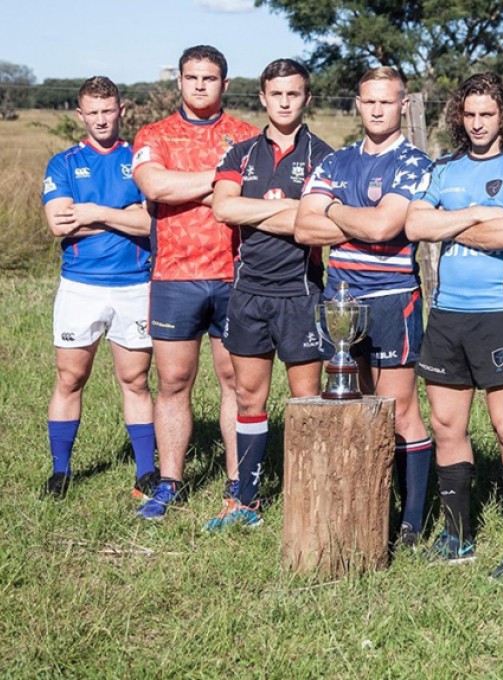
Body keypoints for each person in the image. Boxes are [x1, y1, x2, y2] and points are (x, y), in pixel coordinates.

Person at [405, 72, 503, 580]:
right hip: (446, 314)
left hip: (500, 315)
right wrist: (473, 213)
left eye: (488, 113)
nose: (479, 123)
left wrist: (454, 221)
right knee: (447, 426)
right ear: (459, 117)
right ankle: (457, 537)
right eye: (470, 114)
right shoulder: (443, 167)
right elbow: (415, 225)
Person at [294, 66, 432, 546]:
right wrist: (359, 219)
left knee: (398, 411)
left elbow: (384, 229)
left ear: (403, 105)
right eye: (369, 101)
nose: (377, 109)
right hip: (340, 298)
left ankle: (412, 521)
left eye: (387, 102)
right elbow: (303, 228)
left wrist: (331, 210)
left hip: (393, 297)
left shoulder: (414, 162)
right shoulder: (335, 161)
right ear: (358, 103)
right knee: (354, 406)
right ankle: (364, 509)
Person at [204, 59, 332, 531]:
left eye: (293, 94)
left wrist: (256, 211)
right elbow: (222, 208)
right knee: (248, 398)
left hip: (301, 294)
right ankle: (247, 501)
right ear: (262, 97)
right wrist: (291, 211)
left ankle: (309, 499)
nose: (284, 102)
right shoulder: (239, 153)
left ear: (306, 99)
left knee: (307, 403)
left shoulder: (325, 156)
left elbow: (321, 224)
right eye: (276, 94)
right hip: (249, 293)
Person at [132, 45, 259, 520]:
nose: (200, 85)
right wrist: (222, 180)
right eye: (191, 78)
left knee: (237, 382)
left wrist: (194, 185)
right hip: (174, 275)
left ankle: (237, 482)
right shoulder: (155, 133)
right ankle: (170, 482)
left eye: (209, 78)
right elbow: (156, 187)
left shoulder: (248, 137)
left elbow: (250, 196)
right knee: (173, 382)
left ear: (225, 84)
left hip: (236, 274)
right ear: (180, 82)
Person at [41, 76, 156, 499]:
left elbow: (150, 224)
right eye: (93, 112)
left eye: (108, 111)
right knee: (70, 378)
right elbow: (59, 223)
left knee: (137, 380)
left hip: (135, 285)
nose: (102, 119)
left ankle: (146, 472)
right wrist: (121, 214)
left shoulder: (140, 161)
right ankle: (60, 472)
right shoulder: (64, 163)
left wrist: (93, 212)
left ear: (121, 111)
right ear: (80, 114)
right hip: (80, 287)